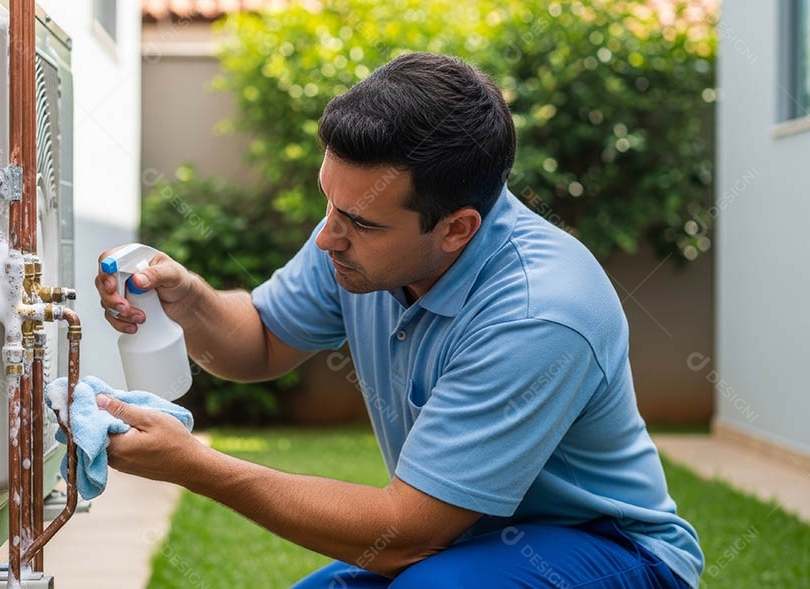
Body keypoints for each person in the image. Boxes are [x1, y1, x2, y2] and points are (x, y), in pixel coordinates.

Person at [93, 52, 703, 588]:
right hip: (467, 544)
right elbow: (260, 343)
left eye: (359, 222)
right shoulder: (357, 239)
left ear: (457, 228)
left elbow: (408, 534)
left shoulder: (537, 311)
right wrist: (188, 299)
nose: (329, 236)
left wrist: (196, 466)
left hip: (617, 554)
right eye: (328, 202)